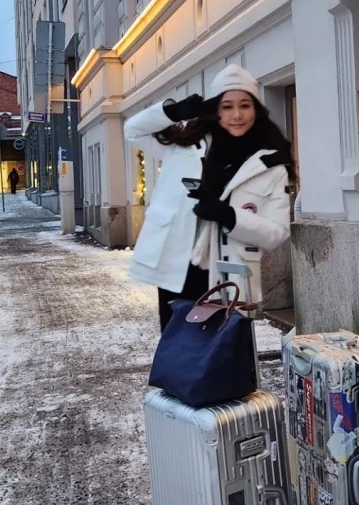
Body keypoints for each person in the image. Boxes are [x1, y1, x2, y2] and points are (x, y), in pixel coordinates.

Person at [125, 65, 295, 331]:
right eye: (227, 106)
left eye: (245, 105)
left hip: (230, 276)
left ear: (256, 110)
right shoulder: (185, 146)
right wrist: (172, 112)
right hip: (179, 270)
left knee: (226, 359)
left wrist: (227, 215)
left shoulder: (271, 163)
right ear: (215, 109)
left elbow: (277, 232)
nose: (237, 115)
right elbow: (133, 130)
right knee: (179, 355)